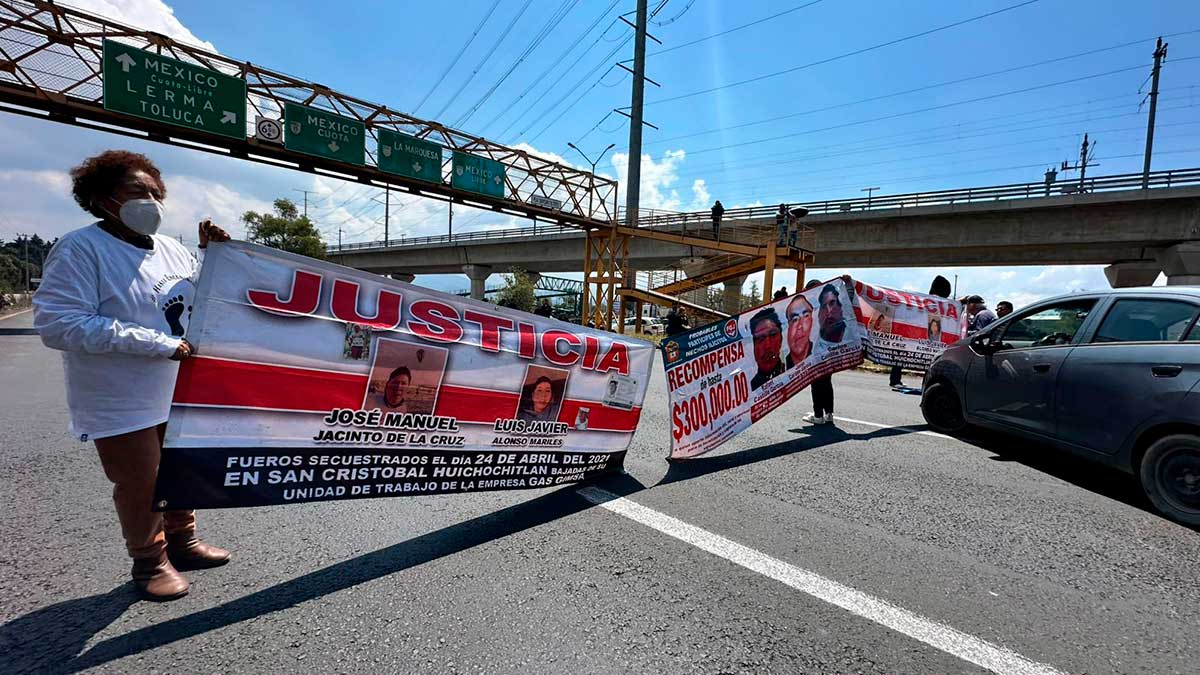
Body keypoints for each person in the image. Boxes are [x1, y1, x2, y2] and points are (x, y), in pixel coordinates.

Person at [33, 150, 232, 601]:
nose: (151, 201)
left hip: (176, 387)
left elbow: (191, 301)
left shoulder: (170, 248)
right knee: (142, 478)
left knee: (181, 467)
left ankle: (183, 541)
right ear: (103, 199)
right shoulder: (81, 248)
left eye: (155, 192)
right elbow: (59, 323)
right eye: (136, 192)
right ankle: (149, 560)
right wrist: (159, 345)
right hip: (121, 395)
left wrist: (211, 256)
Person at [892, 274, 951, 389]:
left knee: (902, 354)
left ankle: (895, 379)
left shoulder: (925, 300)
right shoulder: (939, 303)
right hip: (921, 335)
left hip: (914, 333)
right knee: (930, 359)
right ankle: (924, 384)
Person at [801, 279, 834, 425]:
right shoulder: (829, 304)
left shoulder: (808, 306)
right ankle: (828, 414)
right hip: (829, 349)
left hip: (815, 351)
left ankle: (818, 415)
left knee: (816, 383)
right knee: (826, 381)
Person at [749, 307, 785, 390]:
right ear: (753, 346)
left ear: (781, 339)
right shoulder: (750, 387)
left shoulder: (791, 372)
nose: (768, 345)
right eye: (761, 339)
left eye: (773, 335)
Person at [784, 294, 814, 368]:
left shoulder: (820, 355)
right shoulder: (781, 366)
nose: (800, 326)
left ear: (812, 321)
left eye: (806, 316)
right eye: (795, 319)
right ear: (788, 327)